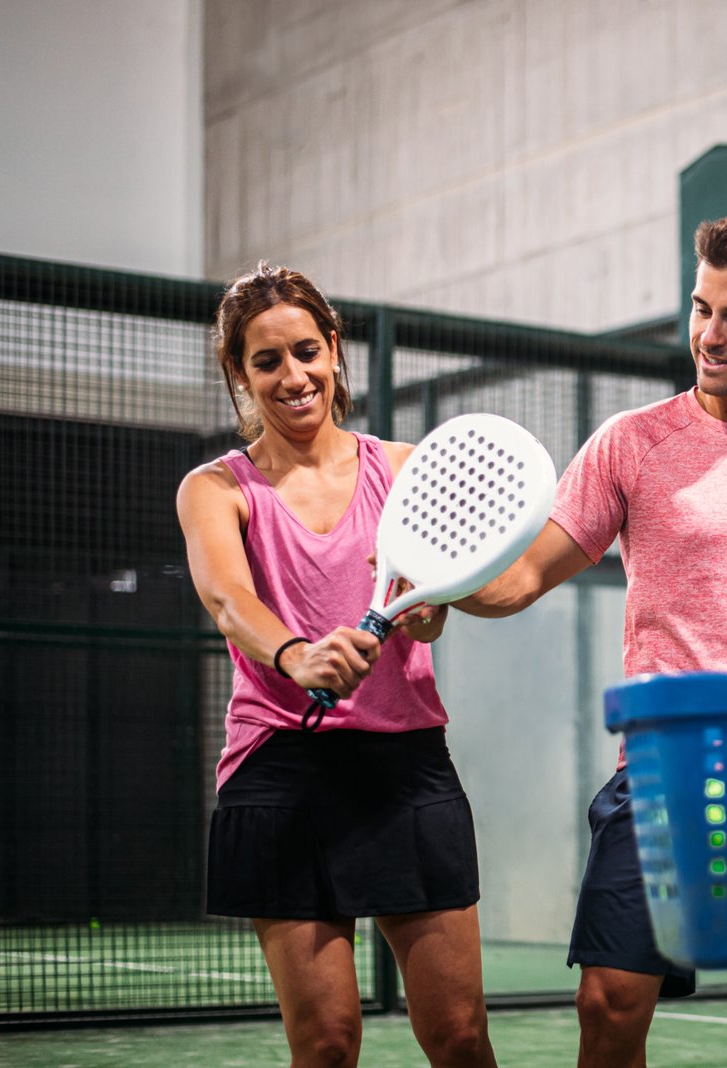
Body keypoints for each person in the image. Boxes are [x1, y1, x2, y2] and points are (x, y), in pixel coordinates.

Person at [461, 214, 727, 1068]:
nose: (709, 335)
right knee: (610, 1003)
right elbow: (520, 579)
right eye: (700, 308)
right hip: (663, 771)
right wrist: (444, 592)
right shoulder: (631, 444)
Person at [176, 263, 497, 1068]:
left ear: (333, 351)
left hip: (405, 764)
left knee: (459, 1036)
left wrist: (432, 612)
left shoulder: (404, 466)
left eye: (307, 351)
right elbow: (228, 601)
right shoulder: (216, 488)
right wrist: (298, 654)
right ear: (239, 375)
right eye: (267, 361)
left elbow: (433, 604)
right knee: (326, 1044)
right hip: (281, 767)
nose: (294, 377)